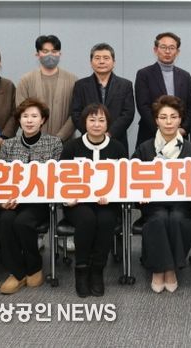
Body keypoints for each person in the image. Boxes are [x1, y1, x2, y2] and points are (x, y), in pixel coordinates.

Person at [132, 95, 191, 293]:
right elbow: (132, 177)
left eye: (173, 117)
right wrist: (140, 193)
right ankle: (159, 269)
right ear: (156, 121)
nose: (168, 122)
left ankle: (169, 269)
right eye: (163, 117)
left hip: (181, 204)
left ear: (180, 120)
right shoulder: (145, 148)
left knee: (178, 218)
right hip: (153, 204)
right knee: (159, 218)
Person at [0, 98, 63, 294]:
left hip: (39, 202)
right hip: (12, 200)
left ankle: (34, 267)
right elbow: (1, 177)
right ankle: (17, 272)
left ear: (42, 120)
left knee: (23, 222)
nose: (29, 120)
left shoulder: (54, 143)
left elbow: (55, 178)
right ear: (19, 120)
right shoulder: (8, 145)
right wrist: (3, 200)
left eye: (34, 116)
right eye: (25, 116)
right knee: (5, 221)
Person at [61, 103, 127, 297]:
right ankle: (81, 270)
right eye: (92, 120)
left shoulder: (117, 147)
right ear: (84, 123)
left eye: (101, 120)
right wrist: (69, 199)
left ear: (108, 123)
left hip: (107, 202)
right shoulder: (71, 147)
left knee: (106, 220)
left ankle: (97, 270)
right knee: (87, 219)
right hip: (77, 203)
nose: (96, 124)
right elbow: (61, 179)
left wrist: (112, 196)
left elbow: (124, 180)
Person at [71, 43, 135, 155]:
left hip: (117, 140)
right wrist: (91, 134)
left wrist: (110, 134)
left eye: (106, 58)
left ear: (114, 62)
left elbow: (128, 113)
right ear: (91, 62)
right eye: (97, 58)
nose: (101, 61)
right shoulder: (81, 85)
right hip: (87, 142)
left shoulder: (125, 85)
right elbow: (76, 113)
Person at [134, 32, 191, 147]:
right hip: (151, 134)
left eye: (171, 48)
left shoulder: (185, 76)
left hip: (179, 135)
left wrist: (184, 129)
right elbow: (143, 106)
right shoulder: (144, 74)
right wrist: (161, 129)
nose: (167, 51)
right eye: (163, 47)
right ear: (155, 50)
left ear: (177, 52)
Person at [16, 34, 77, 142]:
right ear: (37, 54)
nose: (50, 55)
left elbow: (76, 114)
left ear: (60, 54)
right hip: (33, 142)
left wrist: (59, 138)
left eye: (54, 51)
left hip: (66, 143)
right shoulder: (26, 80)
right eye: (45, 51)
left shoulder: (73, 80)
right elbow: (21, 112)